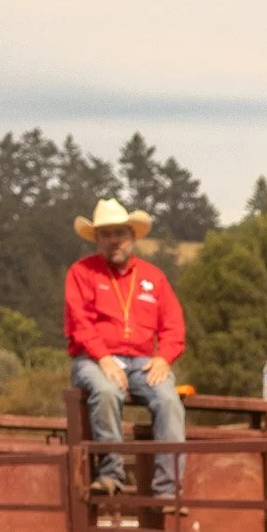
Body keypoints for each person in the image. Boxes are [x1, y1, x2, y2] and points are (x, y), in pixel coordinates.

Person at [64, 197, 187, 500]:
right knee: (106, 391)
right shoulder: (81, 273)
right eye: (106, 234)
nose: (114, 240)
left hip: (144, 361)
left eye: (119, 233)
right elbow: (79, 322)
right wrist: (103, 358)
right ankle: (110, 473)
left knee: (169, 400)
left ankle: (168, 489)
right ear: (97, 239)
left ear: (132, 235)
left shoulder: (153, 277)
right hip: (94, 358)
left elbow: (174, 325)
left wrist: (164, 357)